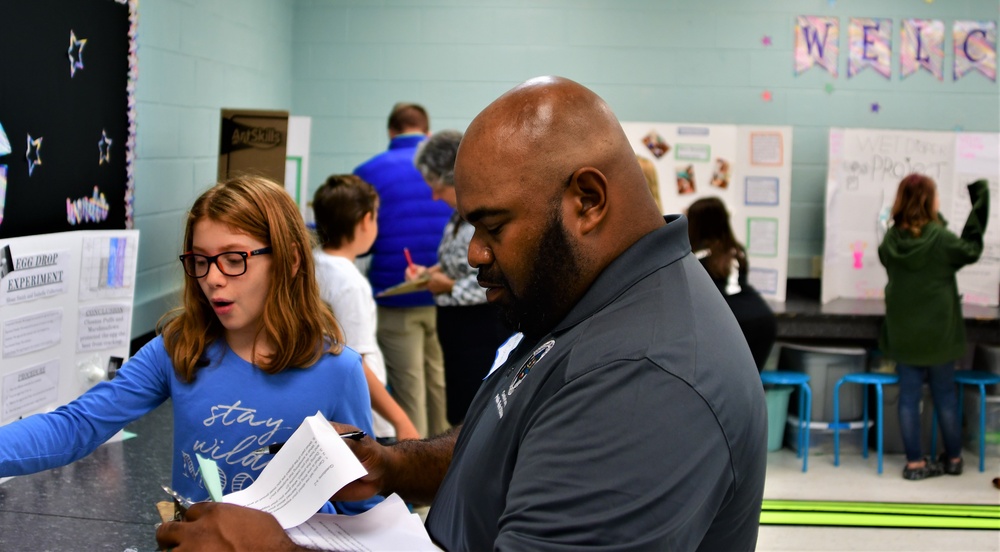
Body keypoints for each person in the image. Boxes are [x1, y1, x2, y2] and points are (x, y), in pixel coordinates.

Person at [156, 76, 768, 551]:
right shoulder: (586, 295)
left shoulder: (648, 382)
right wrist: (395, 464)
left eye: (491, 225)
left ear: (587, 200)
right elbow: (516, 438)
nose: (474, 252)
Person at [0, 175, 380, 516]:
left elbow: (363, 504)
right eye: (200, 261)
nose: (212, 278)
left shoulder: (338, 371)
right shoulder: (180, 348)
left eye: (234, 259)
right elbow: (77, 425)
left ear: (290, 259)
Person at [879, 174, 989, 481]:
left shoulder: (890, 241)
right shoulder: (940, 239)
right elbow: (970, 249)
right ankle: (953, 459)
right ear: (930, 202)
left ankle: (914, 464)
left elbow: (888, 258)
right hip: (940, 336)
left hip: (904, 335)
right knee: (945, 397)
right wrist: (980, 199)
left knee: (909, 399)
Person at [354, 102, 453, 438]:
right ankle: (445, 459)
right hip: (444, 295)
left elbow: (360, 240)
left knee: (409, 388)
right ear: (426, 132)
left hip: (395, 297)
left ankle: (420, 472)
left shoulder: (368, 171)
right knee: (438, 383)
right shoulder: (447, 170)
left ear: (391, 132)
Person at [407, 129, 510, 426]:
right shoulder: (456, 215)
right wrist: (431, 274)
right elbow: (456, 262)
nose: (434, 195)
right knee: (458, 411)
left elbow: (500, 274)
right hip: (456, 331)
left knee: (477, 410)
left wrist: (449, 287)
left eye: (437, 186)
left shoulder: (487, 214)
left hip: (481, 328)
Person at [312, 174, 420, 443]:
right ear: (365, 222)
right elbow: (356, 362)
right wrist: (400, 420)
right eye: (376, 216)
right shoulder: (350, 283)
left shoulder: (314, 263)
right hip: (366, 413)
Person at [686, 196, 777, 371]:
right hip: (762, 317)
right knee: (748, 382)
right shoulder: (736, 250)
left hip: (733, 322)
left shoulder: (693, 256)